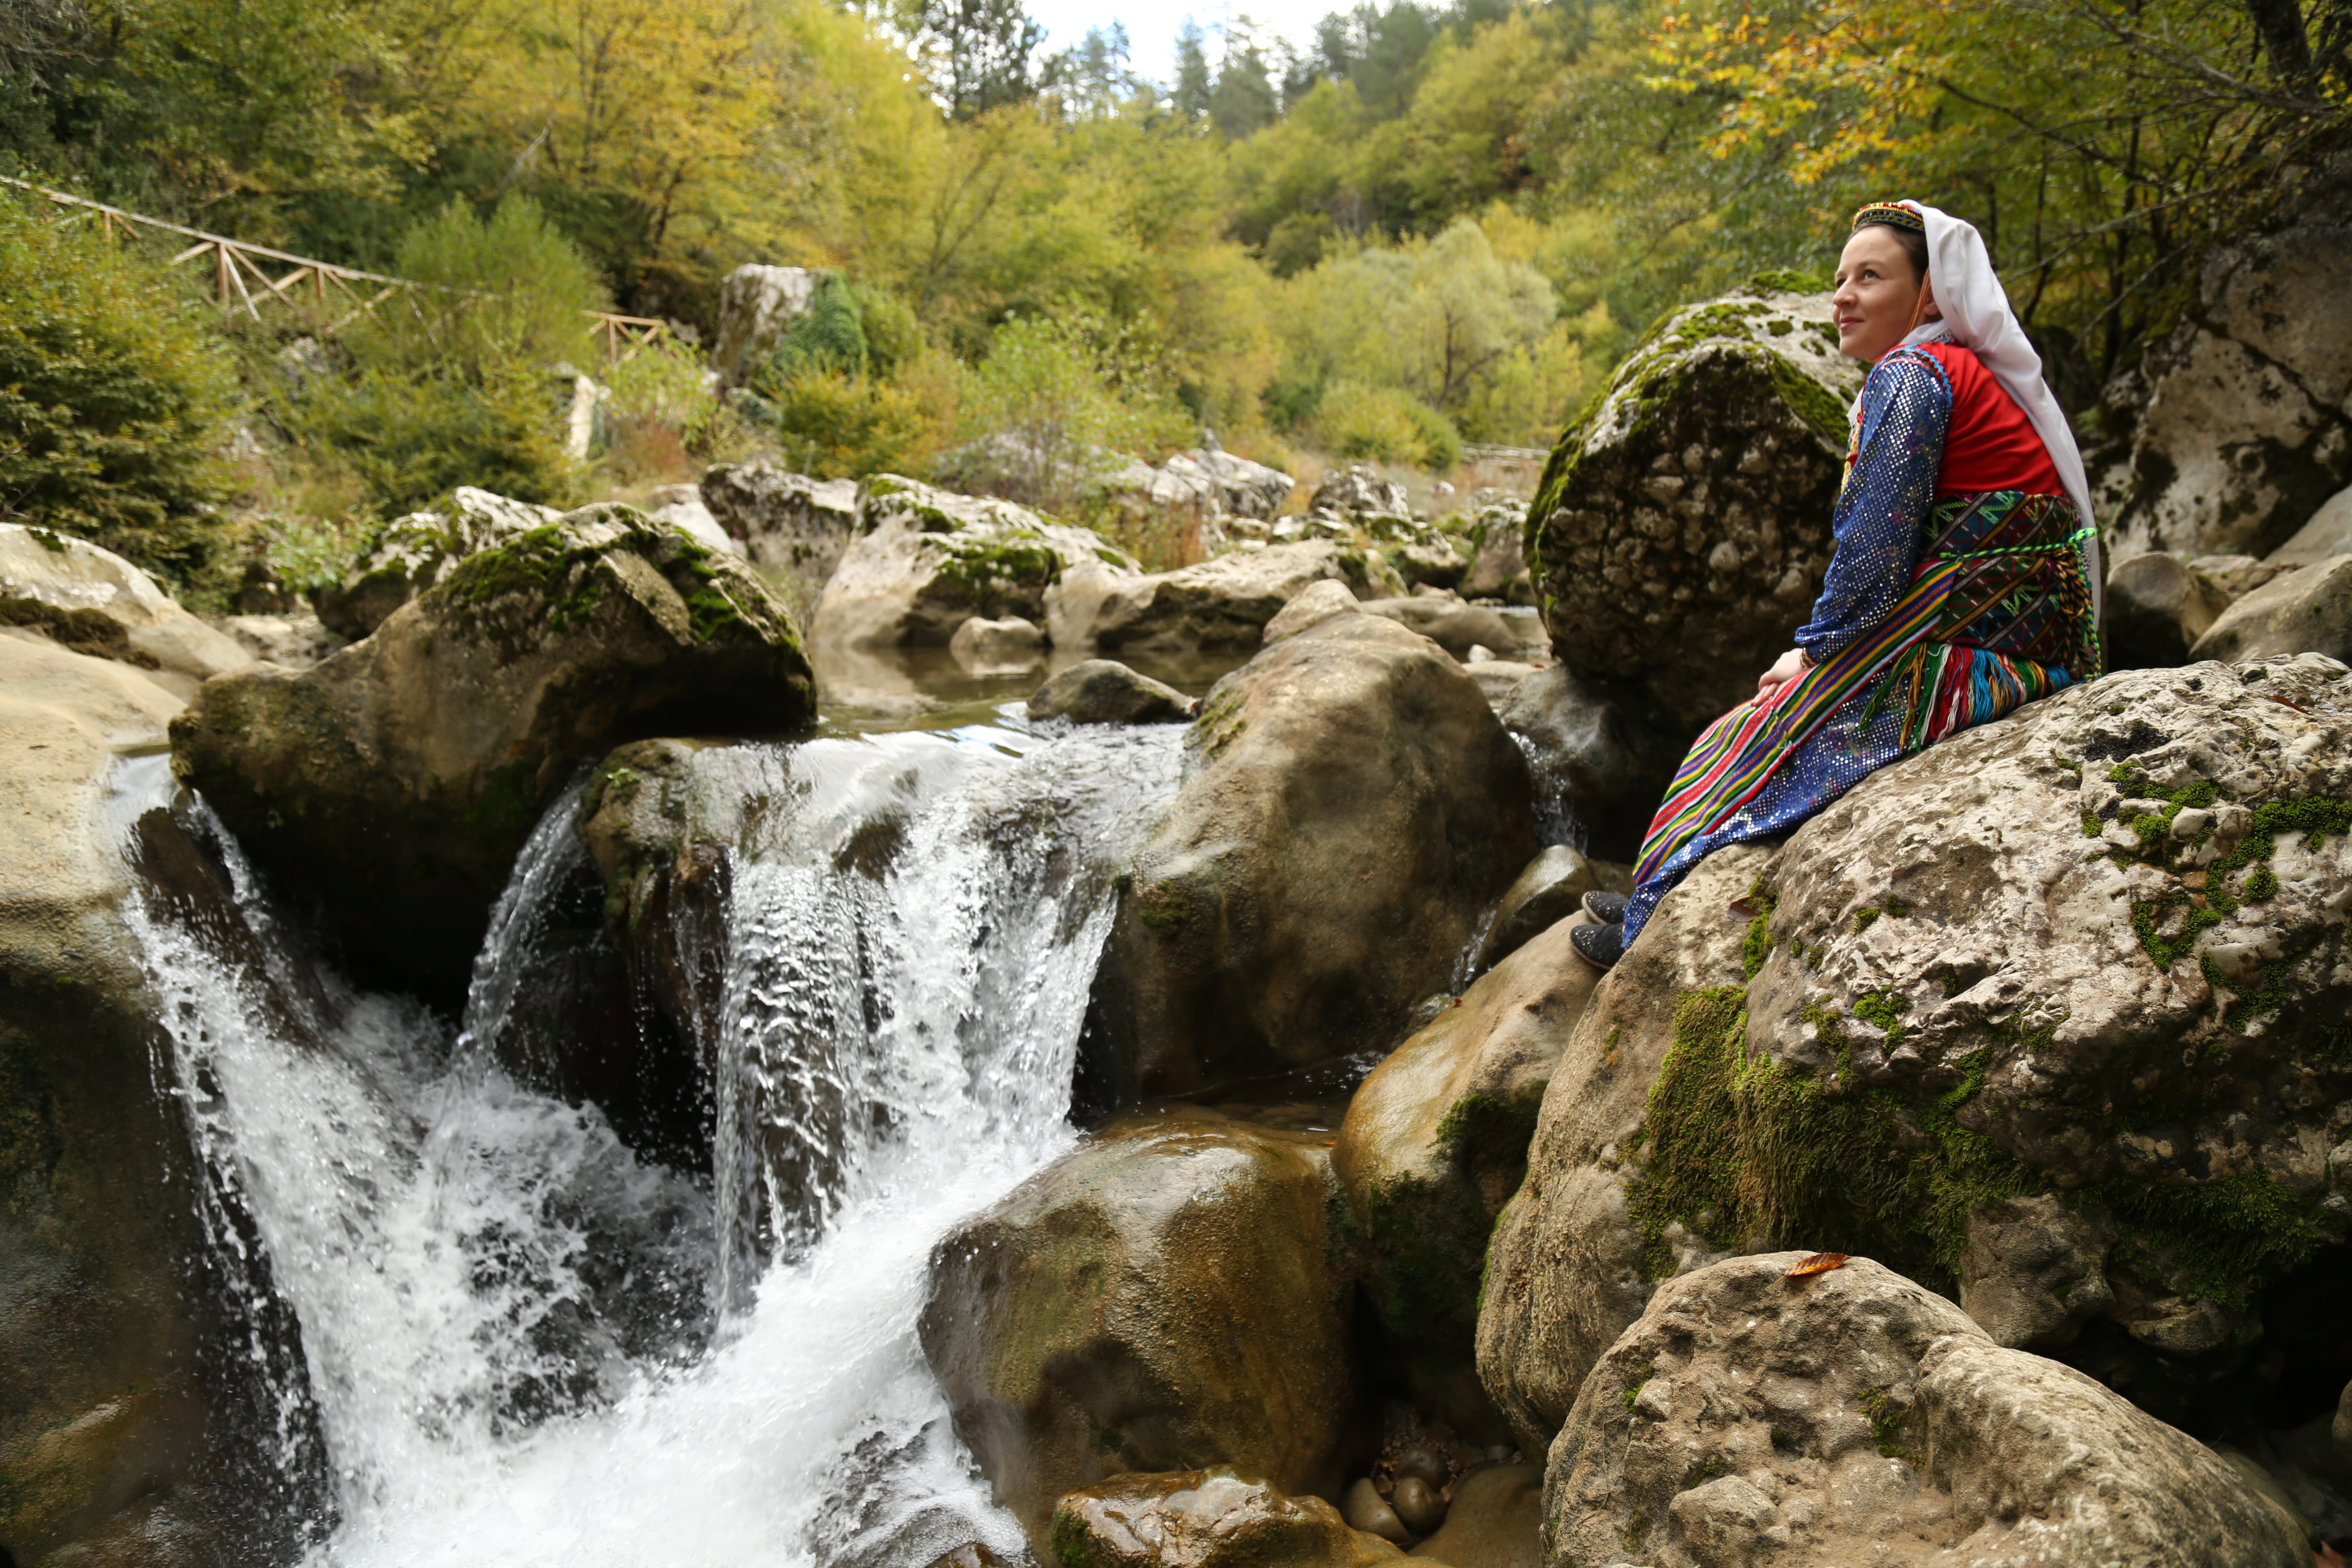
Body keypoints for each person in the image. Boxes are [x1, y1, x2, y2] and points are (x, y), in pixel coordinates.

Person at [1570, 200, 2104, 969]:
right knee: (1760, 725)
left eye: (1870, 277)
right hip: (2015, 630)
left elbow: (1875, 560)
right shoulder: (1953, 372)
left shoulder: (1916, 377)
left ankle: (1652, 925)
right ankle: (1663, 894)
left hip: (1992, 647)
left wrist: (1814, 656)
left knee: (1751, 735)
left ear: (1928, 297)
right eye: (1840, 279)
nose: (1842, 297)